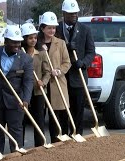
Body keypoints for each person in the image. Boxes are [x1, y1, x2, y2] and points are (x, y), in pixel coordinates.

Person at [0, 25, 33, 153]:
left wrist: (26, 99)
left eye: (19, 42)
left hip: (16, 102)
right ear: (5, 41)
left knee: (16, 132)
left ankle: (16, 160)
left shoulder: (26, 59)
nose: (17, 45)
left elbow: (28, 81)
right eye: (13, 42)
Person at [55, 0, 95, 135]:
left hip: (78, 78)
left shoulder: (85, 30)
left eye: (75, 13)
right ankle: (64, 137)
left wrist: (83, 63)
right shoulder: (56, 29)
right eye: (71, 13)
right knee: (63, 111)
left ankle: (77, 136)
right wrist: (66, 47)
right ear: (64, 13)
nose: (74, 16)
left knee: (78, 111)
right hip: (62, 78)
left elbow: (91, 52)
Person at [37, 11, 71, 143]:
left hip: (58, 84)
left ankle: (59, 142)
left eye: (53, 28)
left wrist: (59, 71)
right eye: (49, 28)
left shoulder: (60, 43)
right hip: (43, 83)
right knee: (42, 116)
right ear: (42, 28)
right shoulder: (37, 43)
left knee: (58, 116)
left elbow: (67, 62)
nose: (52, 30)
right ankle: (42, 144)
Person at [20, 22, 50, 147]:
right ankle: (19, 146)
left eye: (35, 37)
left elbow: (47, 72)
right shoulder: (20, 53)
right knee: (21, 120)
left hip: (38, 91)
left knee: (39, 120)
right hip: (23, 91)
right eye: (30, 38)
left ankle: (40, 145)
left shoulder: (41, 53)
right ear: (24, 39)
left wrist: (43, 82)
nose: (33, 40)